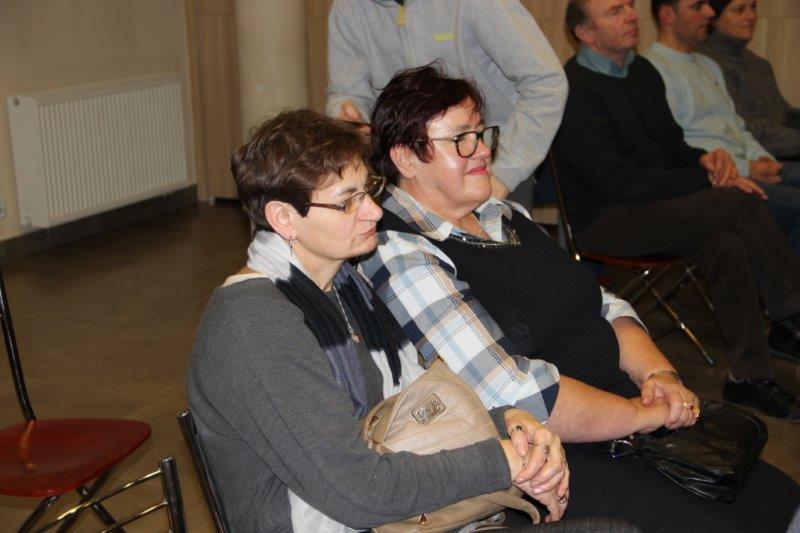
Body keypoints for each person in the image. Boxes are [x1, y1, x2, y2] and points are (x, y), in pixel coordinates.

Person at [360, 63, 800, 532]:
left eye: (481, 132)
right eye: (461, 139)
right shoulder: (401, 252)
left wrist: (659, 375)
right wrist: (642, 415)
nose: (483, 149)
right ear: (406, 159)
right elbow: (515, 391)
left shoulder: (500, 213)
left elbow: (605, 305)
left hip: (625, 418)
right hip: (550, 459)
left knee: (782, 499)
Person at [186, 109, 581, 531]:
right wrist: (500, 461)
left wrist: (508, 422)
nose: (374, 212)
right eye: (346, 202)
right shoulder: (254, 324)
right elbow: (360, 491)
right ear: (284, 218)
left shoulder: (344, 284)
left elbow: (423, 402)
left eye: (368, 191)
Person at [553, 0, 800, 410]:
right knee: (738, 203)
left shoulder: (642, 73)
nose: (631, 15)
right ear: (585, 33)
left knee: (726, 243)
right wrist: (705, 179)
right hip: (604, 218)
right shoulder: (575, 88)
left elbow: (671, 147)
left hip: (652, 206)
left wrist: (705, 160)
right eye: (614, 11)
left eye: (629, 6)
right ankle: (793, 314)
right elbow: (619, 182)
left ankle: (749, 377)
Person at [325, 0, 568, 207]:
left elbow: (546, 83)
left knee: (496, 249)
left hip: (490, 161)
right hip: (408, 172)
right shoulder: (348, 7)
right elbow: (346, 93)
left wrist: (505, 172)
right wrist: (348, 111)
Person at [644, 0, 800, 256]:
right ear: (667, 15)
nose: (709, 12)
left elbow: (737, 125)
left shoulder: (708, 65)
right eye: (697, 7)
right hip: (716, 178)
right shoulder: (653, 69)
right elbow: (677, 147)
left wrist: (761, 157)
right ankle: (783, 280)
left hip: (744, 164)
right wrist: (746, 168)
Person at [699, 0, 800, 160]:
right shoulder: (705, 63)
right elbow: (743, 128)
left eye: (753, 7)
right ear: (714, 19)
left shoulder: (759, 64)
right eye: (739, 10)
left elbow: (784, 113)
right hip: (748, 159)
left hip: (784, 151)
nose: (751, 16)